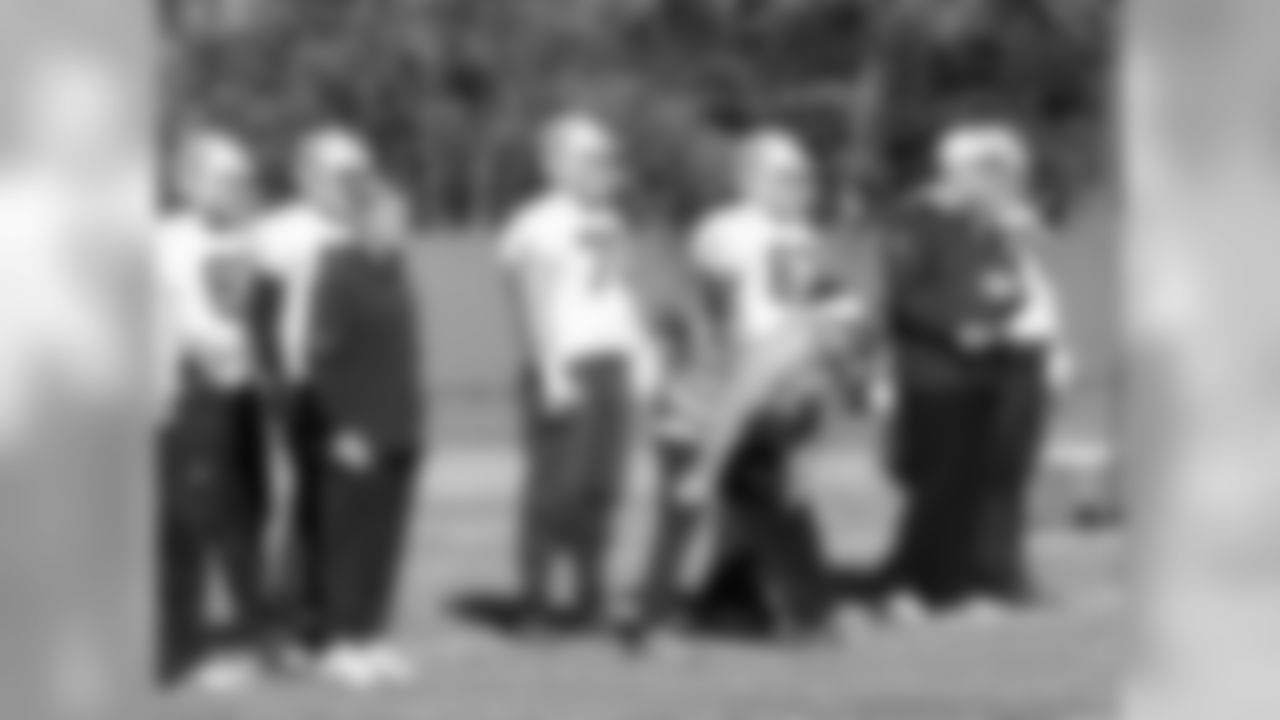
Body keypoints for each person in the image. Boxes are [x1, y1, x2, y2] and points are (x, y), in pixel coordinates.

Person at [879, 122, 1067, 621]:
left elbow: (1005, 284)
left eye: (993, 171)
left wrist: (1000, 311)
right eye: (979, 169)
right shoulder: (917, 217)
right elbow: (907, 297)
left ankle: (965, 583)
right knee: (938, 485)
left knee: (975, 479)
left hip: (983, 366)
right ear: (952, 170)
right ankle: (912, 586)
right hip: (933, 372)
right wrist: (958, 328)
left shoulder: (977, 220)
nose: (989, 180)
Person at [497, 112, 654, 635]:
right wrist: (550, 370)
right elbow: (531, 296)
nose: (605, 169)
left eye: (608, 159)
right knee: (554, 490)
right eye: (592, 159)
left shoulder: (612, 219)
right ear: (557, 165)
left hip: (612, 362)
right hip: (569, 363)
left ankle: (591, 595)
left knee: (601, 489)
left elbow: (620, 293)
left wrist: (641, 353)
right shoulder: (537, 222)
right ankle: (536, 602)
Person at [682, 129, 844, 638]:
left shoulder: (804, 234)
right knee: (771, 494)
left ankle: (728, 602)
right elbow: (714, 310)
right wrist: (721, 373)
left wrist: (828, 368)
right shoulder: (726, 230)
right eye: (786, 176)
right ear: (749, 178)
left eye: (802, 176)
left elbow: (823, 304)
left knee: (760, 496)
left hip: (799, 369)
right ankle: (804, 608)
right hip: (754, 370)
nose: (799, 186)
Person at [156, 128, 272, 692]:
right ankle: (177, 654)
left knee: (246, 516)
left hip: (240, 397)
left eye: (242, 178)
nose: (237, 188)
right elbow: (182, 328)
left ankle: (250, 636)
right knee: (186, 526)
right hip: (188, 398)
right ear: (189, 182)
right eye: (226, 178)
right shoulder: (165, 243)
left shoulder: (246, 239)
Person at [255, 126, 372, 662]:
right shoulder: (282, 233)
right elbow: (262, 316)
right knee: (309, 503)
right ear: (306, 176)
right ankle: (292, 620)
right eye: (339, 175)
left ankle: (335, 616)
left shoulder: (365, 230)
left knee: (352, 507)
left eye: (358, 175)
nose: (351, 185)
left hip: (358, 390)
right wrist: (276, 383)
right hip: (305, 388)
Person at [303, 178, 425, 688]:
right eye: (394, 217)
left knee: (385, 542)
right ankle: (340, 643)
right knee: (349, 542)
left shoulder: (396, 270)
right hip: (357, 434)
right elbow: (321, 360)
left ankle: (373, 636)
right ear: (364, 221)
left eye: (405, 217)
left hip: (401, 429)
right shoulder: (338, 275)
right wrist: (341, 428)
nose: (403, 227)